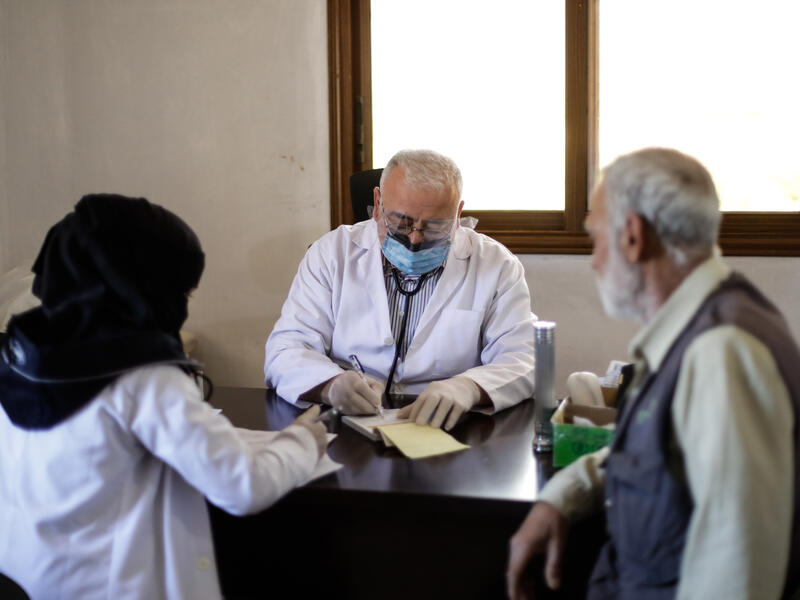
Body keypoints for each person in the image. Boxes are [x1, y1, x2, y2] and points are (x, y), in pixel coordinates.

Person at [0, 194, 329, 600]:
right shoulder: (144, 377)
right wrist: (301, 442)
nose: (183, 308)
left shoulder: (21, 350)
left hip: (31, 575)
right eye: (182, 293)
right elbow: (243, 486)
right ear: (142, 286)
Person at [507, 148, 800, 599]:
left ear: (632, 237)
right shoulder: (698, 328)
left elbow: (735, 571)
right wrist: (561, 498)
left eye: (595, 238)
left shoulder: (720, 353)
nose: (594, 261)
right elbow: (655, 452)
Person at [265, 149, 536, 429]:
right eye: (402, 223)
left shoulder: (496, 265)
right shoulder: (332, 254)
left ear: (458, 214)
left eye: (434, 227)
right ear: (377, 202)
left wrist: (469, 388)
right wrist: (330, 385)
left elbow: (524, 358)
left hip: (451, 427)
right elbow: (286, 349)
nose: (416, 239)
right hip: (348, 425)